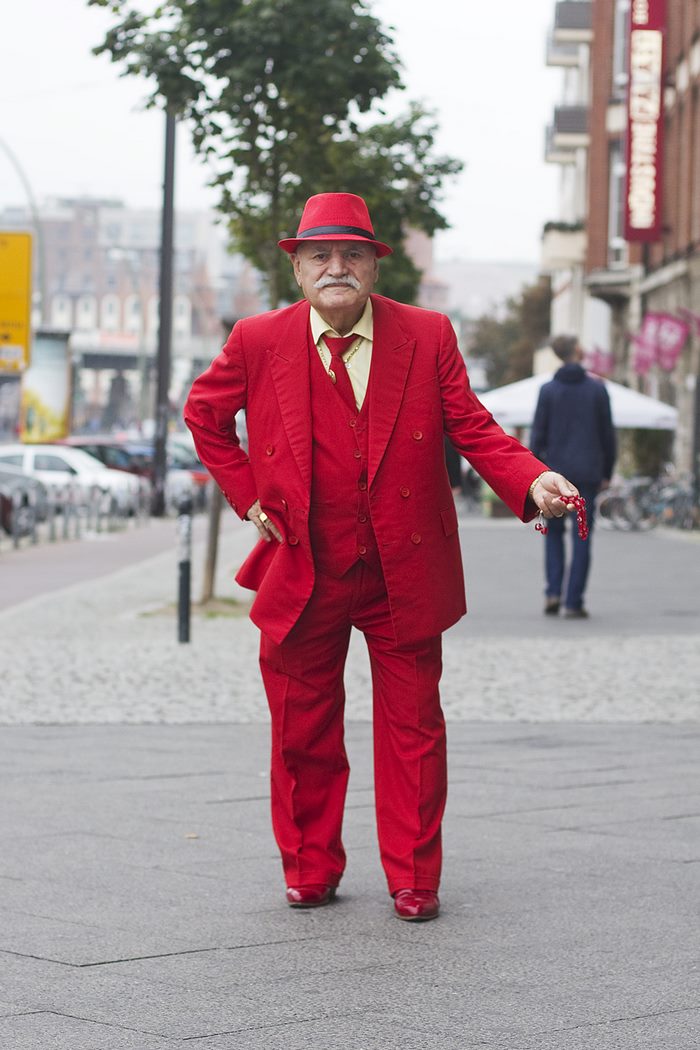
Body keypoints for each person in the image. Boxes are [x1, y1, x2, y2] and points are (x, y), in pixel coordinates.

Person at [184, 192, 578, 922]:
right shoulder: (257, 339)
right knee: (300, 727)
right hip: (304, 564)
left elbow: (473, 425)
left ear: (373, 265)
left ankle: (414, 878)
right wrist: (248, 497)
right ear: (297, 267)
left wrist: (532, 478)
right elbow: (205, 415)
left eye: (352, 254)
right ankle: (309, 867)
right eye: (320, 255)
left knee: (414, 729)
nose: (336, 266)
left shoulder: (426, 334)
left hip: (405, 564)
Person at [530, 334, 616, 619]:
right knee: (582, 536)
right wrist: (606, 472)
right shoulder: (597, 390)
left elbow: (538, 435)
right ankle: (573, 600)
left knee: (553, 535)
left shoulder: (548, 391)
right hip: (588, 475)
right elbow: (608, 436)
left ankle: (553, 592)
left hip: (554, 475)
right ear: (578, 351)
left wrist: (534, 474)